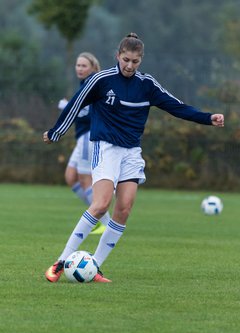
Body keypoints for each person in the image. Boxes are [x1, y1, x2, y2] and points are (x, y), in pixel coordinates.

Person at [43, 33, 224, 283]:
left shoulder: (146, 85)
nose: (129, 65)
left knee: (125, 209)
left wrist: (207, 117)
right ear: (118, 56)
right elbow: (76, 103)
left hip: (131, 152)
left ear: (141, 60)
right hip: (105, 148)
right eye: (126, 59)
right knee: (100, 205)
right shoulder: (101, 79)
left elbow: (176, 106)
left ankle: (95, 266)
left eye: (135, 61)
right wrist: (56, 132)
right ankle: (61, 261)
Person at [59, 52, 110, 235]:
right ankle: (97, 215)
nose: (80, 69)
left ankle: (104, 221)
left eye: (84, 66)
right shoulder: (84, 84)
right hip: (81, 138)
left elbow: (88, 113)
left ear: (93, 68)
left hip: (89, 137)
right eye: (78, 65)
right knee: (70, 176)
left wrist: (67, 107)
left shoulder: (92, 84)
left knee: (85, 180)